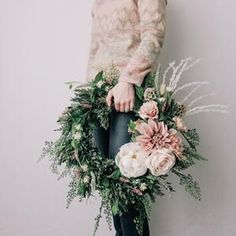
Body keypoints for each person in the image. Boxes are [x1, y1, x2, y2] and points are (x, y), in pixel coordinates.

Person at [85, 0, 167, 235]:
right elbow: (95, 49)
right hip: (99, 98)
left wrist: (127, 79)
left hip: (128, 94)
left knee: (127, 183)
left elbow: (154, 34)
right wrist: (86, 98)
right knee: (112, 186)